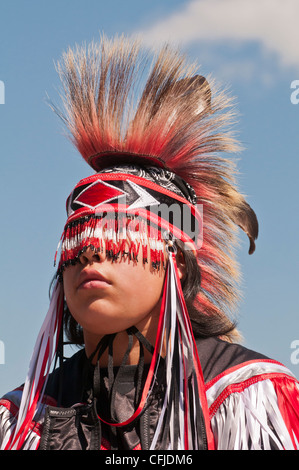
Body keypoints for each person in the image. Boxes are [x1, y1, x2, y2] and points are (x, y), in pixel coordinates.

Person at [1, 35, 298, 451]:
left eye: (121, 240)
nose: (91, 255)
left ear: (176, 263)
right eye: (76, 246)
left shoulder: (244, 399)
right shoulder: (24, 419)